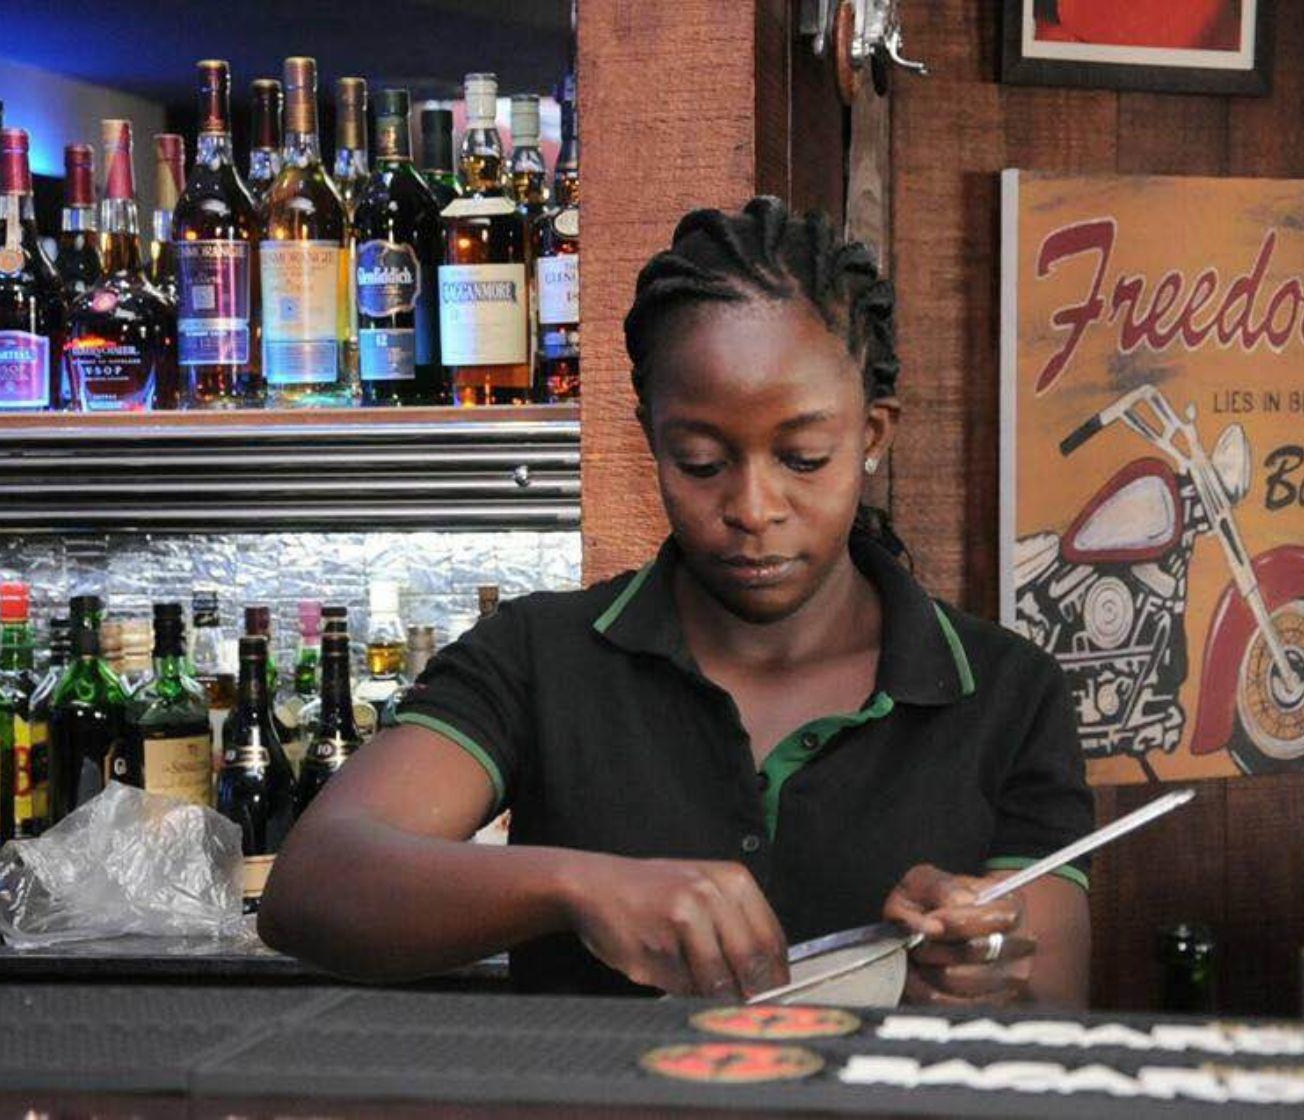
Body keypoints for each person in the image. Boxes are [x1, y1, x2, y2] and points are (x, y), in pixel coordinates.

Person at [260, 196, 1094, 1007]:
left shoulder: (1004, 689)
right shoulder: (540, 657)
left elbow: (1055, 992)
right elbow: (312, 888)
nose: (753, 508)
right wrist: (578, 885)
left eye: (804, 459)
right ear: (652, 439)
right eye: (700, 462)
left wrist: (984, 956)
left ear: (872, 435)